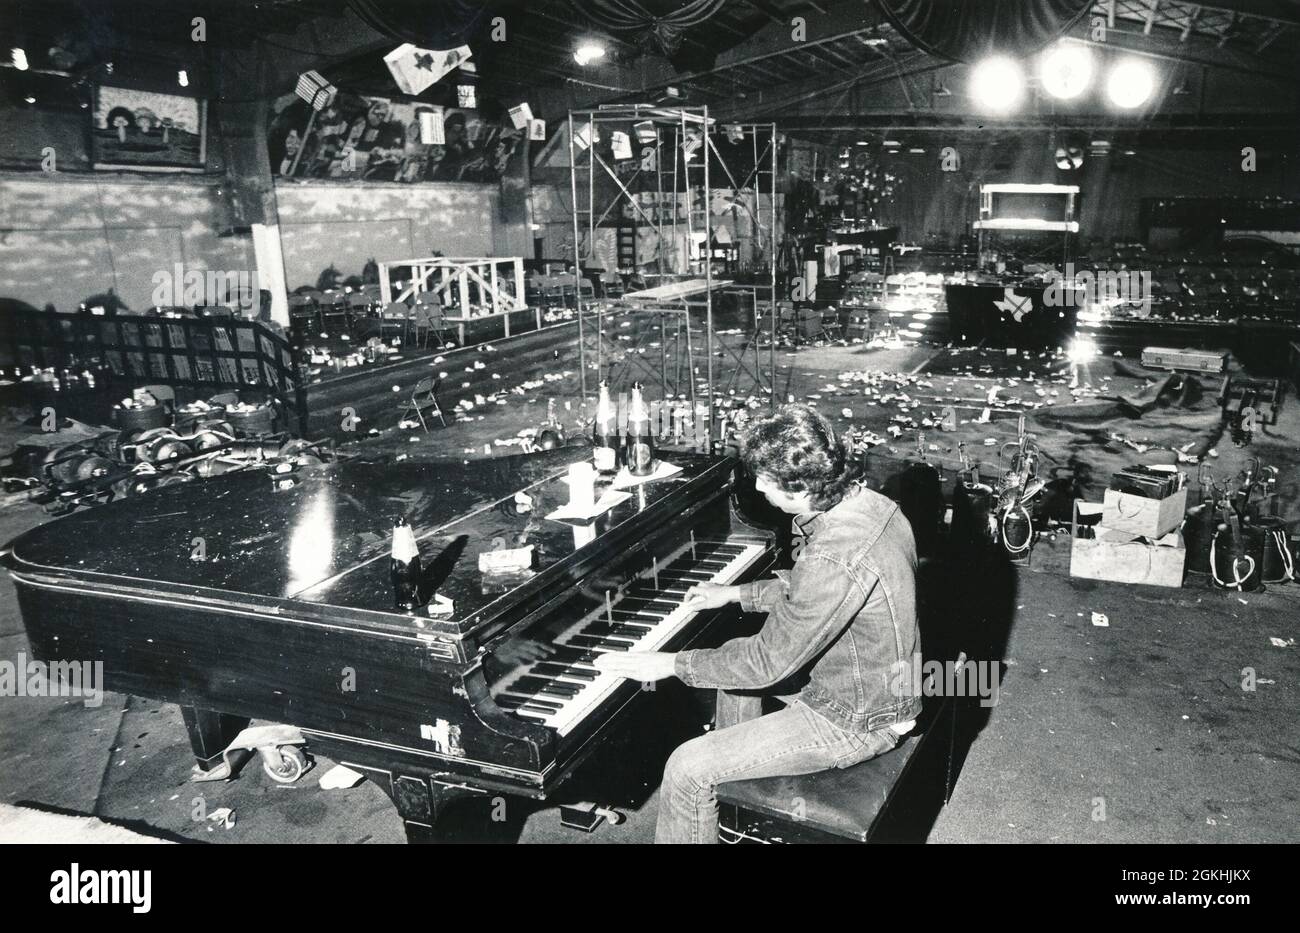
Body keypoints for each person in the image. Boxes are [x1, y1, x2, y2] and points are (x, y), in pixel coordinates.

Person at [594, 404, 922, 843]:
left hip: (858, 719)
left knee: (687, 767)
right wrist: (735, 594)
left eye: (765, 480)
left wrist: (670, 664)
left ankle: (709, 788)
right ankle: (730, 808)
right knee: (732, 671)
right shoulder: (872, 506)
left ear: (801, 485)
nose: (758, 488)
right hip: (874, 681)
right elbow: (819, 591)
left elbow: (767, 663)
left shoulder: (835, 555)